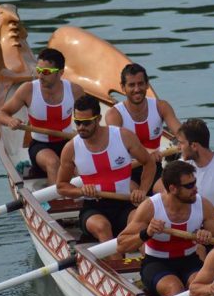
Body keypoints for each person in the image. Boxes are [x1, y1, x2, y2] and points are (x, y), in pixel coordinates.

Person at [116, 160, 214, 296]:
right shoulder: (151, 207)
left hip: (190, 261)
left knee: (206, 295)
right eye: (189, 186)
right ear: (173, 189)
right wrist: (146, 233)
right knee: (174, 288)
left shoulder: (203, 205)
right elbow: (121, 245)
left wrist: (208, 237)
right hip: (157, 264)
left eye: (194, 183)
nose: (195, 189)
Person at [56, 94, 155, 259]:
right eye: (77, 122)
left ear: (98, 119)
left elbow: (149, 163)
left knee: (138, 226)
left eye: (86, 123)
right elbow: (61, 186)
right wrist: (81, 191)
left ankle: (150, 265)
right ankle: (116, 274)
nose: (81, 127)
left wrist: (143, 190)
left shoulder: (123, 136)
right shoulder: (71, 148)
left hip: (124, 203)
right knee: (103, 227)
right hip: (94, 209)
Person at [0, 48, 85, 185]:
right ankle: (56, 202)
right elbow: (1, 114)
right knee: (53, 162)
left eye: (46, 72)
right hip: (40, 145)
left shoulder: (75, 91)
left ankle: (85, 199)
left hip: (68, 141)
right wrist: (10, 121)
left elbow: (90, 118)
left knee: (81, 163)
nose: (41, 76)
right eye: (38, 70)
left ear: (60, 73)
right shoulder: (28, 90)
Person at [105, 63, 181, 193]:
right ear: (123, 88)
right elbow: (118, 145)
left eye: (140, 84)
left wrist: (188, 140)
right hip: (126, 171)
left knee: (170, 193)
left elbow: (180, 132)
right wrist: (147, 152)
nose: (137, 89)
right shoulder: (114, 114)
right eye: (131, 85)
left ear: (147, 85)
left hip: (154, 167)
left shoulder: (161, 107)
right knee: (135, 200)